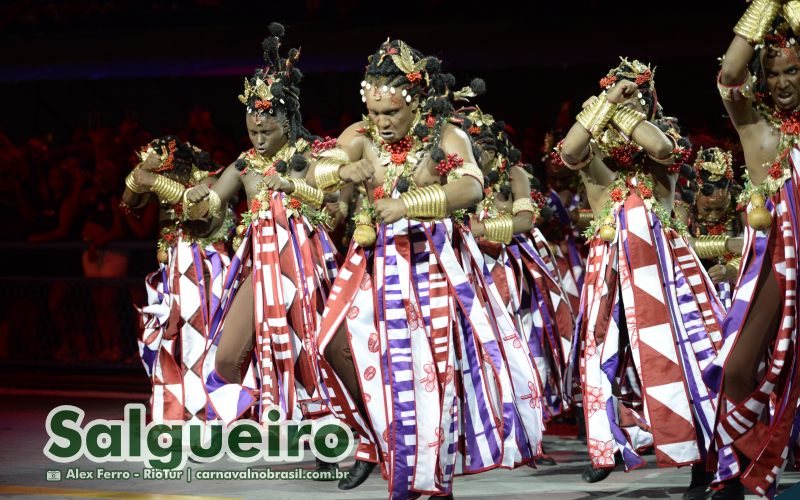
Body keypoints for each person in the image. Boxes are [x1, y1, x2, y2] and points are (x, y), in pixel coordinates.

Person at [310, 39, 543, 499]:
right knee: (329, 344)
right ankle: (373, 440)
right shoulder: (361, 135)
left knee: (429, 376)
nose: (380, 123)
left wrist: (408, 204)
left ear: (414, 103)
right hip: (374, 264)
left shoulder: (446, 137)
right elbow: (323, 168)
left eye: (390, 114)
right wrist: (339, 174)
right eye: (374, 113)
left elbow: (472, 188)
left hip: (434, 265)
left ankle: (430, 481)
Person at [559, 58, 725, 499]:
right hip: (607, 264)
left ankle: (702, 460)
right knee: (602, 360)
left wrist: (623, 109)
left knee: (682, 359)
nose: (621, 102)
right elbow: (569, 152)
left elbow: (662, 150)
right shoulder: (595, 149)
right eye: (616, 94)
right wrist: (607, 105)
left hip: (661, 265)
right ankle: (610, 443)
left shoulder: (665, 135)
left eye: (634, 94)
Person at [183, 23, 340, 475]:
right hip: (261, 271)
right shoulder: (246, 162)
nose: (257, 124)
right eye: (252, 115)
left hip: (305, 267)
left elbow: (333, 210)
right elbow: (216, 201)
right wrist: (200, 200)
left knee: (312, 353)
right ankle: (219, 428)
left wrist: (293, 186)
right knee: (228, 355)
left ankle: (329, 439)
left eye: (267, 115)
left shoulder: (314, 155)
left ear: (288, 117)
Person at [710, 2, 800, 497]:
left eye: (793, 70)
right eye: (773, 73)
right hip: (775, 260)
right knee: (738, 368)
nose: (782, 81)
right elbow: (729, 73)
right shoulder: (754, 124)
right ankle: (750, 460)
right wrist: (767, 3)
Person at [121, 136, 232, 423]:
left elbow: (201, 212)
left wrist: (152, 180)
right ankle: (175, 407)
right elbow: (128, 202)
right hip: (171, 267)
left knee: (201, 341)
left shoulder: (209, 178)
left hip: (203, 269)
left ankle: (208, 410)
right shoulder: (156, 174)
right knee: (170, 339)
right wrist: (139, 174)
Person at [676, 147, 745, 309]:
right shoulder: (683, 204)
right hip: (696, 287)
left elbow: (757, 249)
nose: (713, 216)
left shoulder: (741, 203)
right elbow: (684, 244)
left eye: (720, 208)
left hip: (737, 287)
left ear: (729, 193)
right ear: (696, 193)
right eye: (706, 209)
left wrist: (732, 269)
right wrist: (728, 244)